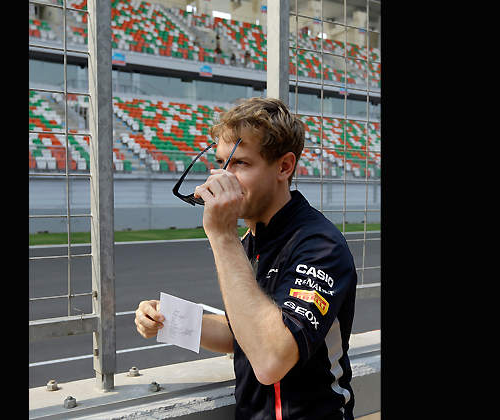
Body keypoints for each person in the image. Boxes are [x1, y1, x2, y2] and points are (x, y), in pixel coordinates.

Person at [135, 97, 358, 419]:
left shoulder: (320, 244)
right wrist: (169, 319)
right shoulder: (252, 239)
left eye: (240, 163)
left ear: (284, 167)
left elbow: (271, 361)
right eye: (220, 162)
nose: (221, 178)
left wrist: (222, 237)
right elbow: (244, 331)